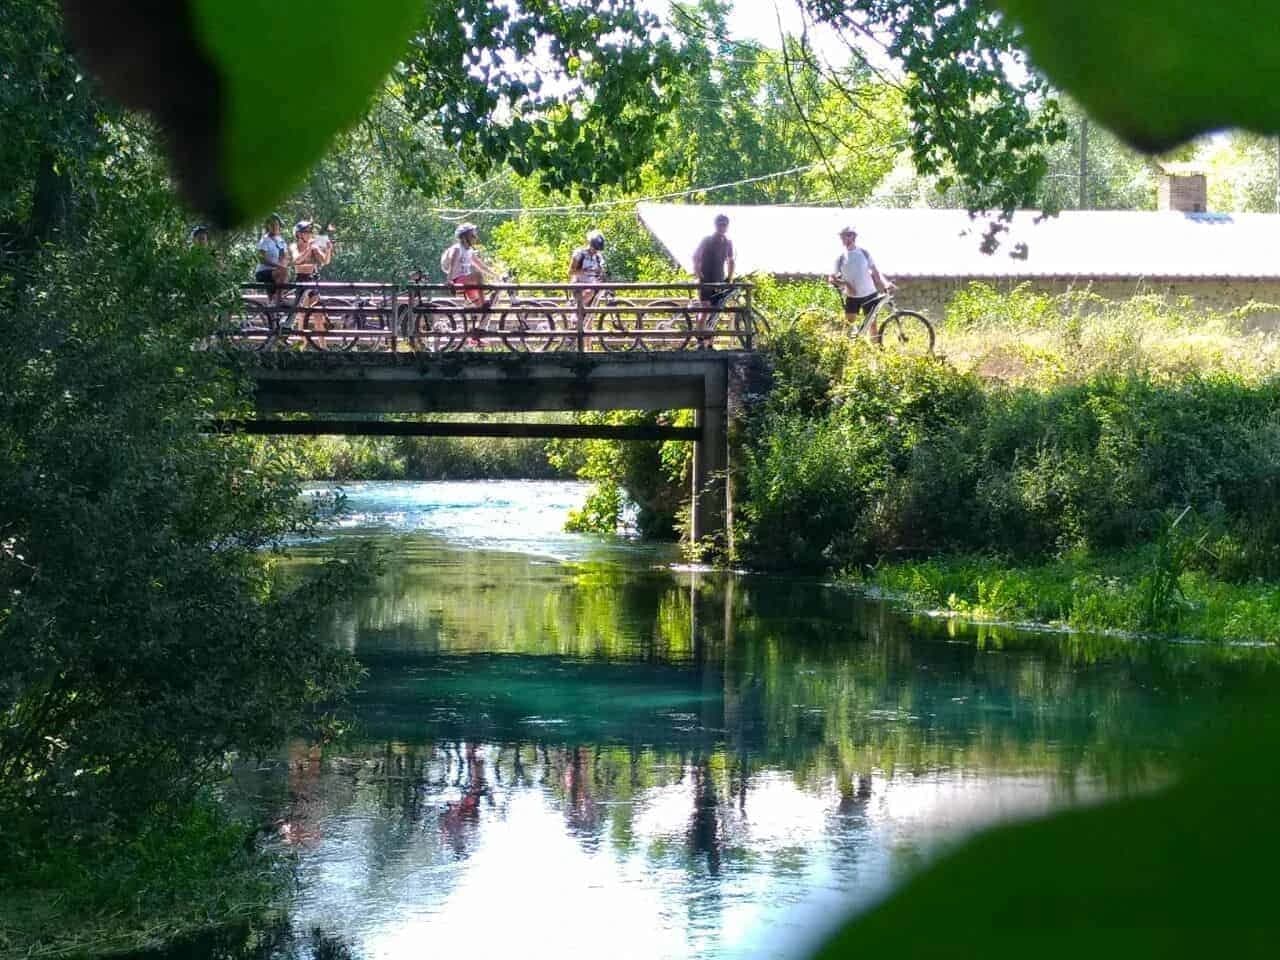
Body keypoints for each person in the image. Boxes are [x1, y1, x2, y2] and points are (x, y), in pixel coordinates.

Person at [829, 225, 894, 341]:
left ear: (854, 237)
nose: (845, 239)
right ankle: (849, 351)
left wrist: (885, 284)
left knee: (872, 325)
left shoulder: (863, 253)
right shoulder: (840, 258)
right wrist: (846, 284)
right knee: (849, 326)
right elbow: (831, 279)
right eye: (843, 237)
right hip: (852, 297)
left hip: (869, 294)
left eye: (848, 236)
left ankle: (875, 352)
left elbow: (875, 272)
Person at [691, 214, 736, 346]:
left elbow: (731, 260)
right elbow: (695, 256)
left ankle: (709, 342)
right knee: (705, 310)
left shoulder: (728, 242)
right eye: (719, 224)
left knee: (714, 312)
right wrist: (699, 273)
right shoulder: (707, 240)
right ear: (715, 225)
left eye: (724, 224)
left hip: (719, 280)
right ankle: (700, 340)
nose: (722, 227)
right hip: (705, 280)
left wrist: (730, 277)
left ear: (727, 226)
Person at [440, 222, 498, 308]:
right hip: (457, 281)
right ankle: (483, 303)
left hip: (467, 282)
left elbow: (481, 266)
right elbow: (452, 266)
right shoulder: (457, 249)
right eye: (473, 236)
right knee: (478, 275)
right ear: (464, 238)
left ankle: (481, 308)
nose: (475, 238)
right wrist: (449, 280)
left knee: (481, 310)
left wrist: (495, 275)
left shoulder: (469, 251)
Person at [255, 213, 290, 304]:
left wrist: (283, 263)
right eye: (272, 225)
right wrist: (278, 266)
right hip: (263, 272)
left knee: (284, 273)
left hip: (276, 273)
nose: (275, 227)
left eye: (276, 224)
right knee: (283, 271)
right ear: (268, 226)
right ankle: (278, 299)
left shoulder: (280, 240)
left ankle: (273, 305)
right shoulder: (265, 240)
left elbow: (285, 256)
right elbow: (261, 259)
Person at [569, 229, 607, 306]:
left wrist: (600, 272)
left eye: (598, 249)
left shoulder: (598, 257)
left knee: (593, 308)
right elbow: (570, 271)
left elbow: (601, 272)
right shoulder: (580, 254)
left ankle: (584, 313)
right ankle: (576, 310)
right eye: (595, 248)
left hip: (592, 285)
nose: (596, 251)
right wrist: (583, 271)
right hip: (578, 285)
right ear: (590, 244)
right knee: (590, 292)